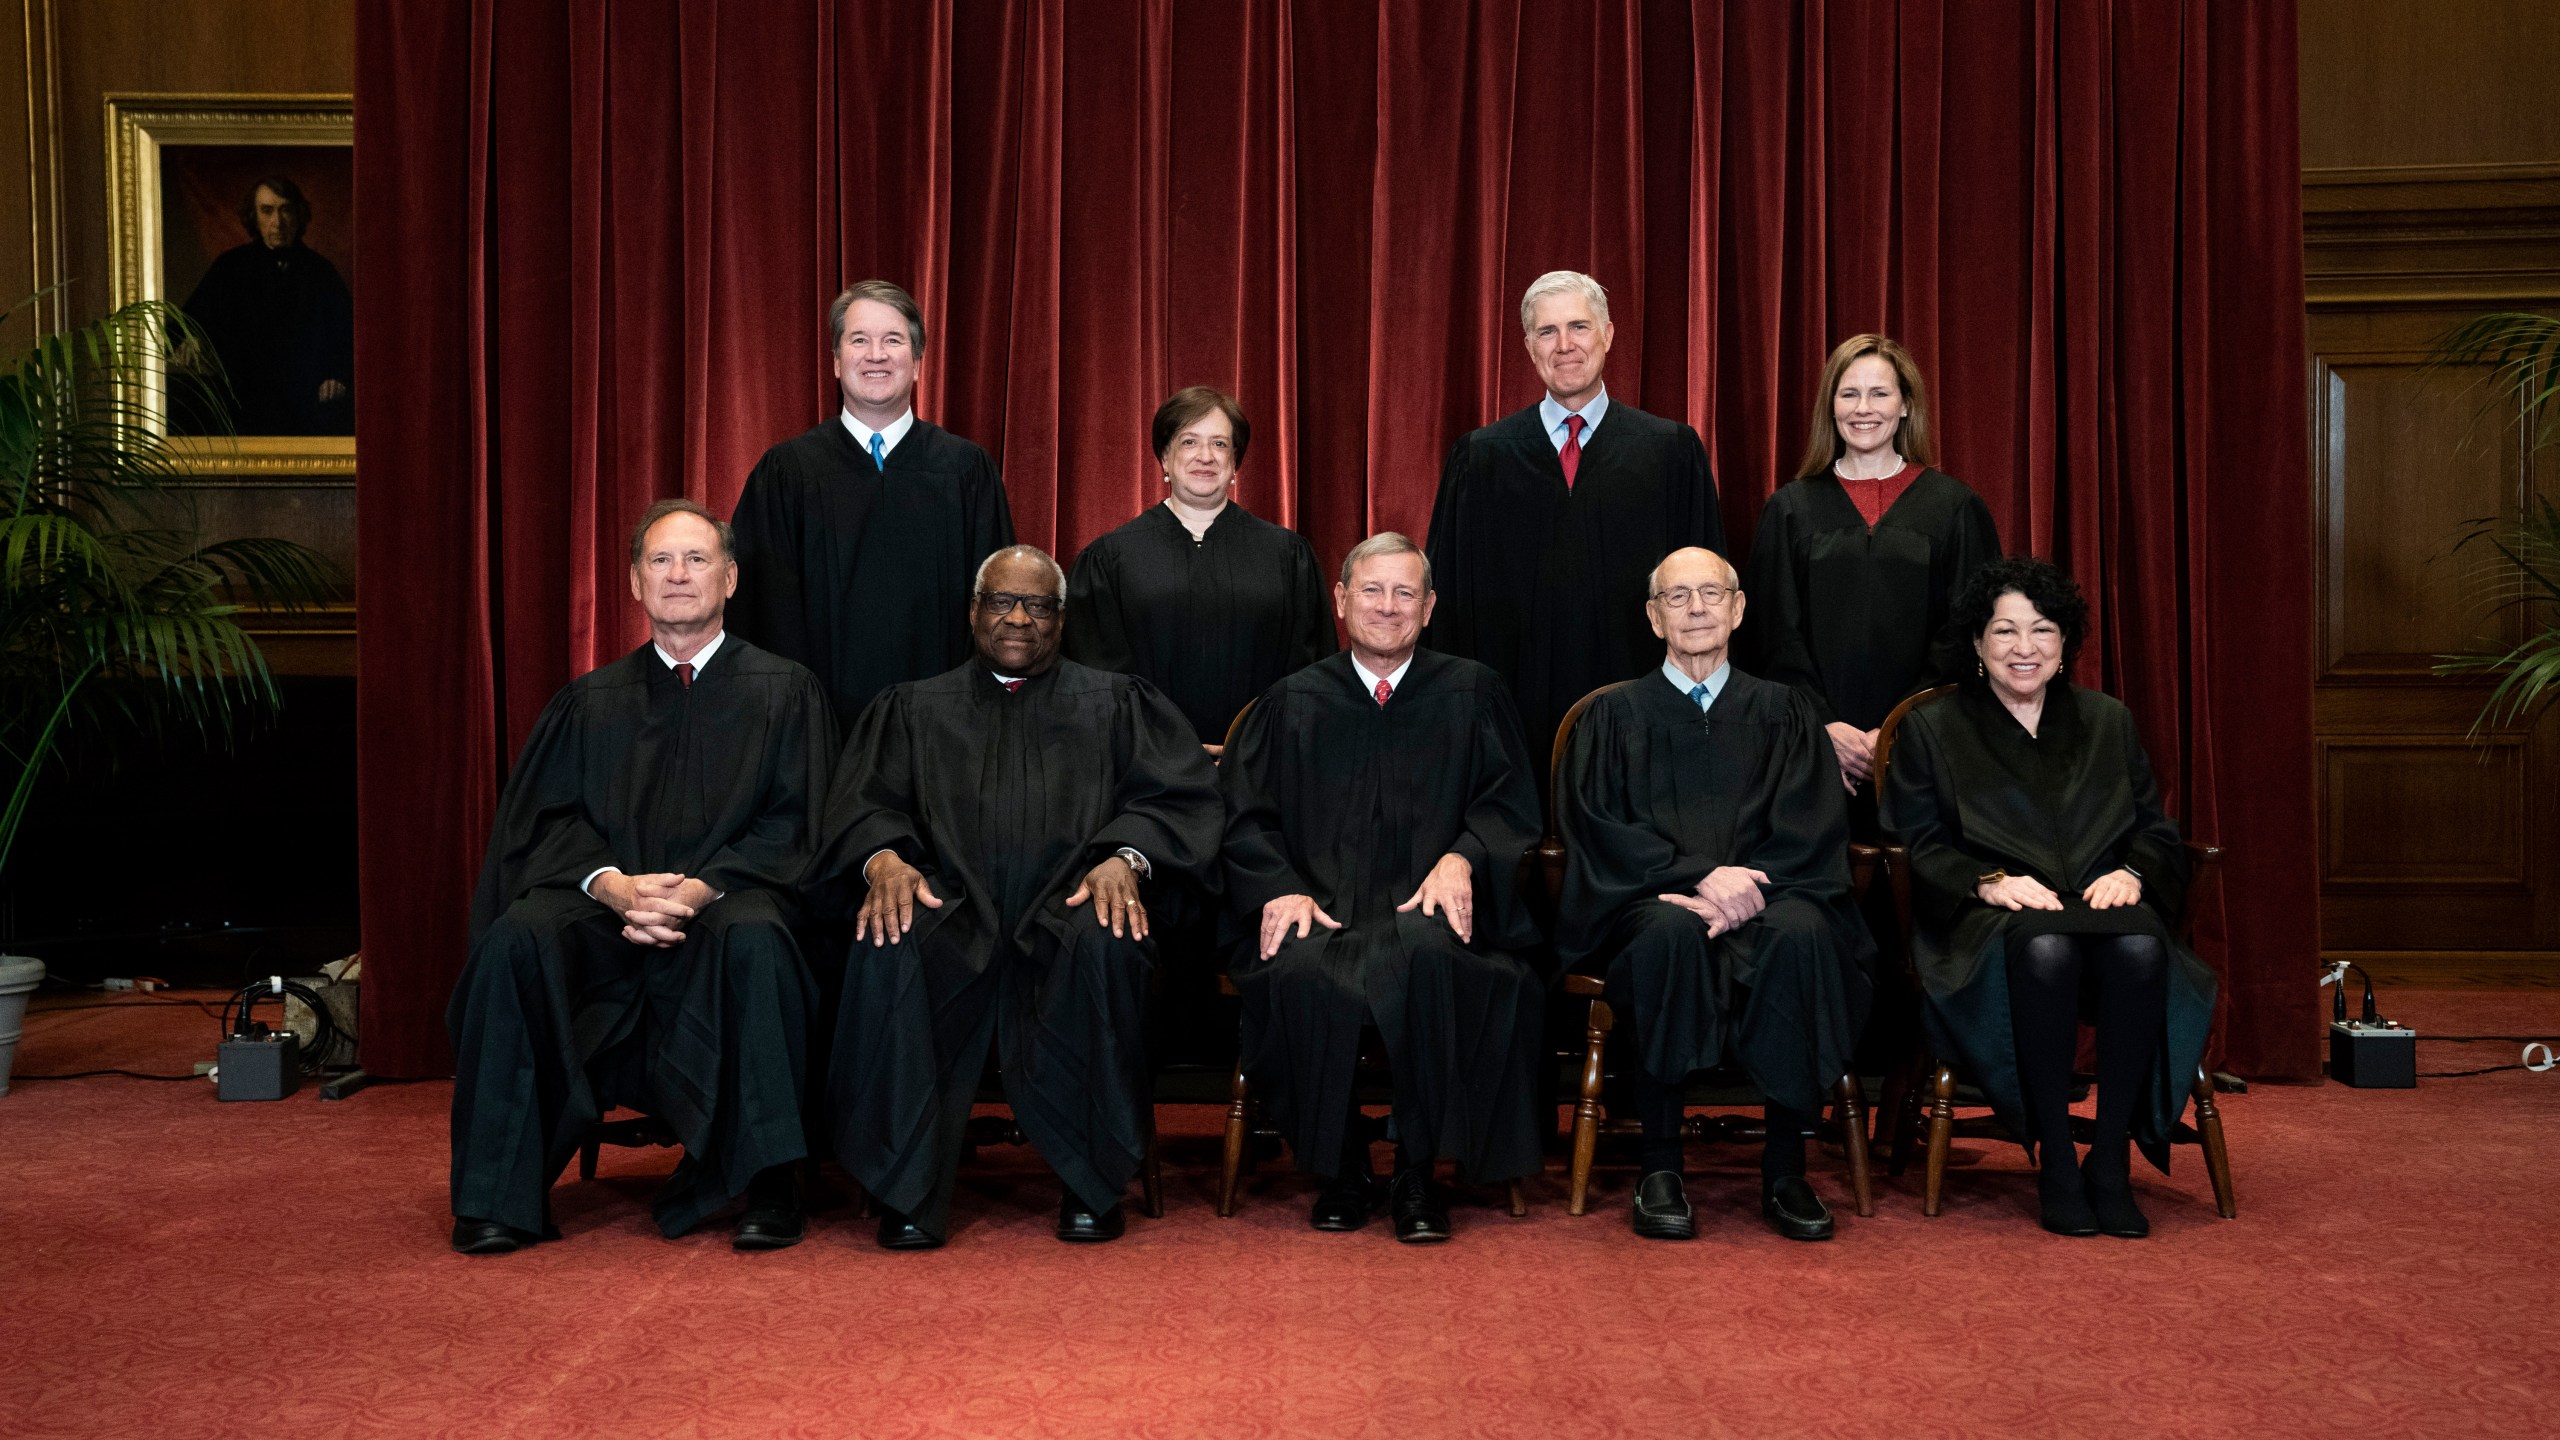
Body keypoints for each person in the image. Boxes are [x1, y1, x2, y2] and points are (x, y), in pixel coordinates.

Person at [447, 500, 835, 1255]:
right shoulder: (590, 702)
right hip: (607, 912)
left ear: (728, 578)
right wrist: (614, 886)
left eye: (696, 560)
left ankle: (770, 1182)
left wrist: (698, 889)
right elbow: (545, 825)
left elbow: (798, 822)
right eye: (661, 561)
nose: (679, 575)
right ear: (634, 583)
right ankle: (497, 1195)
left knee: (759, 939)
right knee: (518, 941)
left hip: (727, 902)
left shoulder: (785, 692)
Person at [814, 546, 1222, 1248]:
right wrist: (883, 860)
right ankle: (905, 1185)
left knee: (1108, 938)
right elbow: (863, 804)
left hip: (1068, 910)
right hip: (952, 910)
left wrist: (1126, 858)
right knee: (892, 937)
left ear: (1061, 619)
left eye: (1037, 605)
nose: (1018, 619)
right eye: (1002, 601)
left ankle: (1090, 1182)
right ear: (974, 611)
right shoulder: (914, 707)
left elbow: (1178, 799)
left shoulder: (1117, 703)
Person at [1878, 556, 2217, 1239]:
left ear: (2066, 645)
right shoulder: (1935, 730)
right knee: (2050, 950)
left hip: (2104, 901)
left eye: (2042, 631)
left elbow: (2155, 828)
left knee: (2142, 948)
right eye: (2004, 632)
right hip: (1987, 919)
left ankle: (2111, 1158)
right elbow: (1916, 844)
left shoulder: (2107, 721)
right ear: (1977, 644)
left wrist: (2137, 874)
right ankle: (2059, 1160)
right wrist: (1986, 881)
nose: (2023, 648)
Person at [1220, 533, 1545, 1243]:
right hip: (1323, 906)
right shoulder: (1292, 701)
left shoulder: (1473, 692)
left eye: (1405, 593)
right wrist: (1278, 887)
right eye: (1372, 590)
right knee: (1300, 970)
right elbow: (1244, 817)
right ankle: (1342, 1166)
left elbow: (1509, 805)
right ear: (1340, 601)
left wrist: (1464, 857)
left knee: (1433, 962)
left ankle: (1417, 1172)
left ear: (1429, 608)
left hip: (1429, 908)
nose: (1387, 607)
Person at [1554, 547, 1875, 1241]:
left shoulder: (1785, 712)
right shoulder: (1612, 717)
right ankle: (1660, 1167)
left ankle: (1786, 1169)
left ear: (1737, 609)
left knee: (1801, 934)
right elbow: (1599, 826)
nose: (1696, 608)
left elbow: (1809, 824)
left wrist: (1745, 890)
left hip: (1774, 892)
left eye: (1711, 594)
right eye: (1677, 597)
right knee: (1668, 936)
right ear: (1652, 616)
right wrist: (1698, 877)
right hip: (1656, 897)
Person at [1423, 270, 1724, 761]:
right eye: (1547, 331)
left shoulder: (1670, 452)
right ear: (1528, 345)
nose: (1565, 345)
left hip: (1644, 722)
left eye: (1579, 327)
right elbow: (1449, 609)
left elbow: (1707, 598)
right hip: (1509, 721)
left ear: (1607, 334)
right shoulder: (1480, 459)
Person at [729, 280, 1016, 726]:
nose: (876, 355)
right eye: (859, 340)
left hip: (946, 728)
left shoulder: (965, 470)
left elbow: (997, 604)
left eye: (893, 340)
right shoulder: (787, 473)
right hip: (817, 729)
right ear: (837, 361)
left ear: (918, 363)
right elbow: (761, 611)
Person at [1743, 334, 2000, 803]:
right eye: (1849, 393)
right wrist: (1824, 726)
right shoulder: (1790, 510)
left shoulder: (1953, 507)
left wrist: (1899, 726)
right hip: (1809, 748)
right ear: (1831, 406)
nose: (1864, 408)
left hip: (1925, 744)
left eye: (1880, 393)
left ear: (1905, 405)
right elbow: (1774, 634)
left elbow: (1968, 635)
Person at [1065, 385, 1334, 750]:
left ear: (1236, 462)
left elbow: (1308, 673)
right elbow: (1096, 681)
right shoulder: (1111, 559)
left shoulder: (1287, 556)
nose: (1205, 456)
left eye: (1220, 444)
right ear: (1164, 457)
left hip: (1263, 765)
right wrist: (1166, 749)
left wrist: (1251, 747)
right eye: (1189, 442)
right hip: (1145, 768)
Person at [176, 176, 354, 436]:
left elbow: (349, 337)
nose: (278, 222)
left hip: (305, 402)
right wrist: (188, 342)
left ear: (298, 215)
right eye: (267, 211)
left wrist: (338, 377)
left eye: (286, 210)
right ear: (254, 217)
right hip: (242, 401)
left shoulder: (321, 272)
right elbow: (184, 323)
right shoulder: (230, 268)